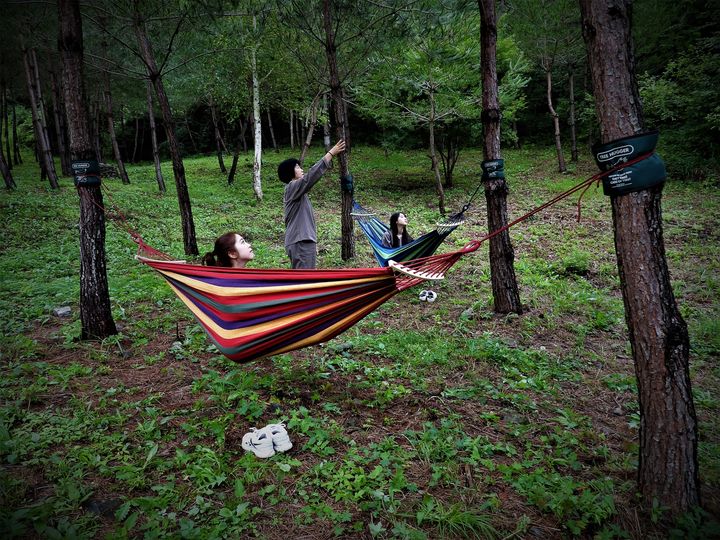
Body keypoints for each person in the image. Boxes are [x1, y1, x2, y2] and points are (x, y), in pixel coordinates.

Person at [277, 139, 347, 269]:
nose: (301, 169)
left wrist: (312, 243)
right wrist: (330, 154)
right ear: (289, 172)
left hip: (303, 241)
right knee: (303, 282)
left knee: (304, 279)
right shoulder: (292, 187)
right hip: (300, 241)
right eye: (297, 167)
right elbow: (310, 178)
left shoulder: (298, 192)